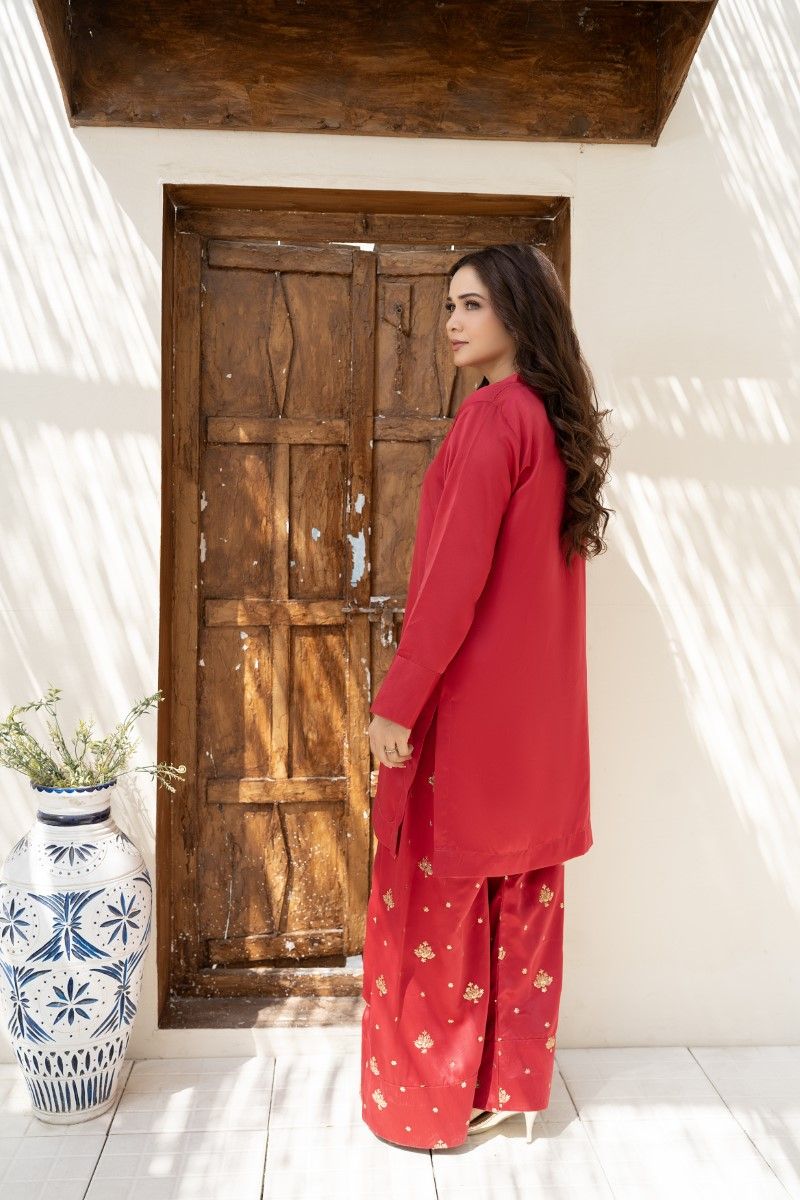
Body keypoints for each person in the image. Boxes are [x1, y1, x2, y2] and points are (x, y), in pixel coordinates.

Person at [360, 243, 614, 1151]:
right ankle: (512, 1086)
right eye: (449, 306)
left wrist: (398, 701)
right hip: (537, 726)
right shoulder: (550, 420)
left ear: (517, 310)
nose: (452, 322)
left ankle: (428, 1105)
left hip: (469, 717)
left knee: (437, 905)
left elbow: (450, 583)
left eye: (472, 304)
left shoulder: (492, 417)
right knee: (522, 897)